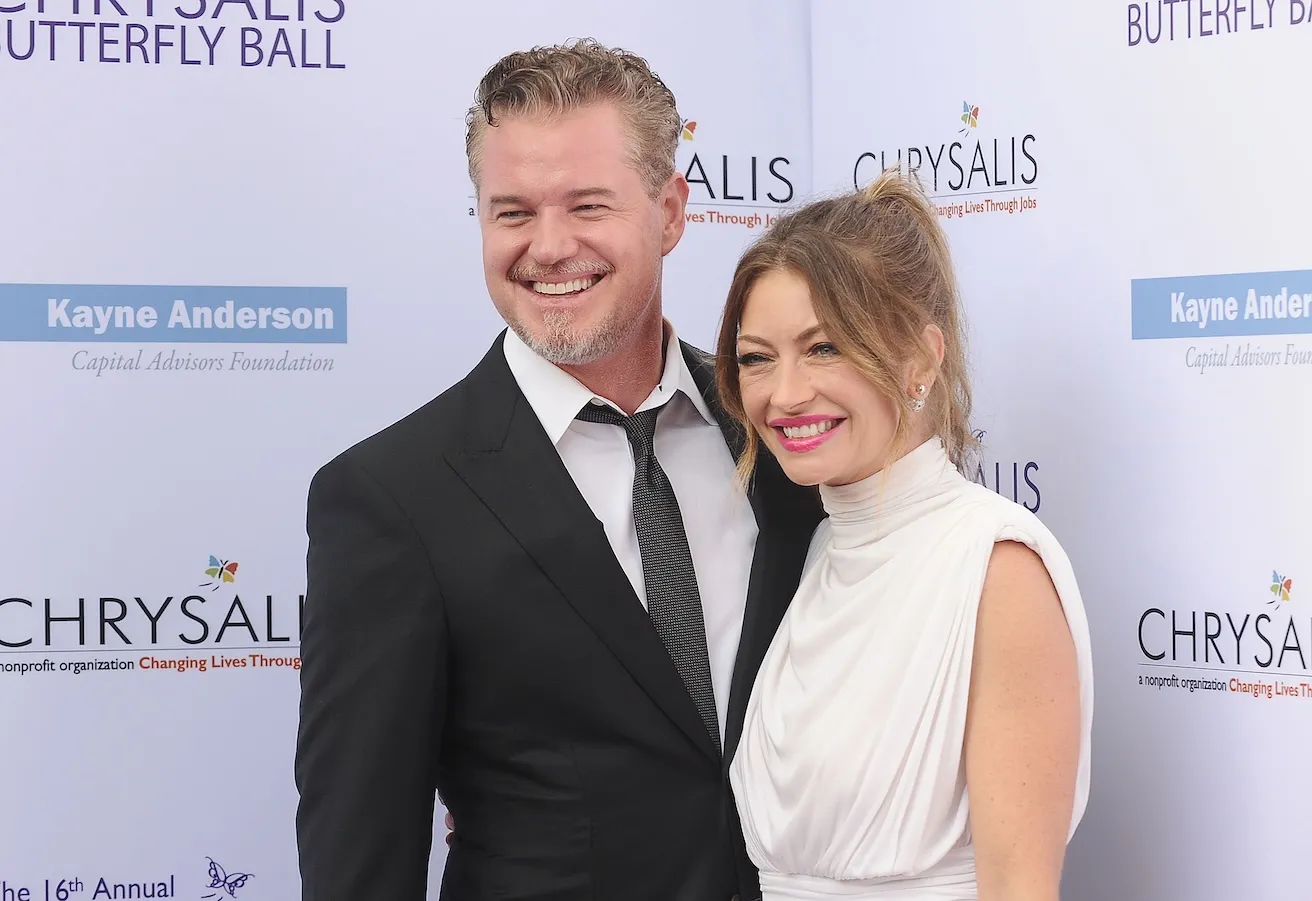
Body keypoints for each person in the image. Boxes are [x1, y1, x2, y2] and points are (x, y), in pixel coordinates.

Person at [292, 39, 824, 901]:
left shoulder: (783, 434)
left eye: (587, 204)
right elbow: (360, 858)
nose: (549, 246)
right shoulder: (391, 498)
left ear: (672, 210)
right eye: (511, 212)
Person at [714, 168, 1094, 900]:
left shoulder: (995, 568)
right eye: (757, 357)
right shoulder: (815, 553)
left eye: (823, 348)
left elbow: (1021, 886)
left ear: (921, 357)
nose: (783, 393)